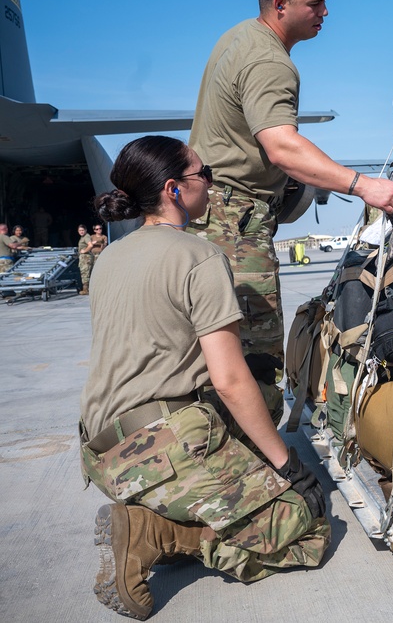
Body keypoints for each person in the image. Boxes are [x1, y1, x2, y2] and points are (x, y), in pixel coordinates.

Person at [79, 135, 330, 620]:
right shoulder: (198, 256)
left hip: (102, 451)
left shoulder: (109, 257)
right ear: (174, 189)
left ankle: (161, 511)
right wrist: (287, 465)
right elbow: (231, 379)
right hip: (159, 446)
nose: (211, 185)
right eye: (203, 175)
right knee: (305, 528)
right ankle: (158, 533)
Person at [188, 0, 393, 426]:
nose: (326, 13)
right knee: (256, 354)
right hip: (235, 224)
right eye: (317, 4)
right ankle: (259, 468)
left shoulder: (238, 37)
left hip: (212, 217)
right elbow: (282, 147)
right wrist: (362, 185)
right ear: (281, 3)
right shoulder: (271, 61)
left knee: (214, 348)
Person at [76, 224, 94, 295]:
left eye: (83, 230)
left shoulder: (86, 237)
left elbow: (90, 245)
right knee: (85, 272)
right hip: (83, 257)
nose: (81, 232)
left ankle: (85, 289)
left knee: (85, 273)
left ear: (85, 230)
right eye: (80, 230)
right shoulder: (82, 237)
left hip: (85, 257)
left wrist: (85, 250)